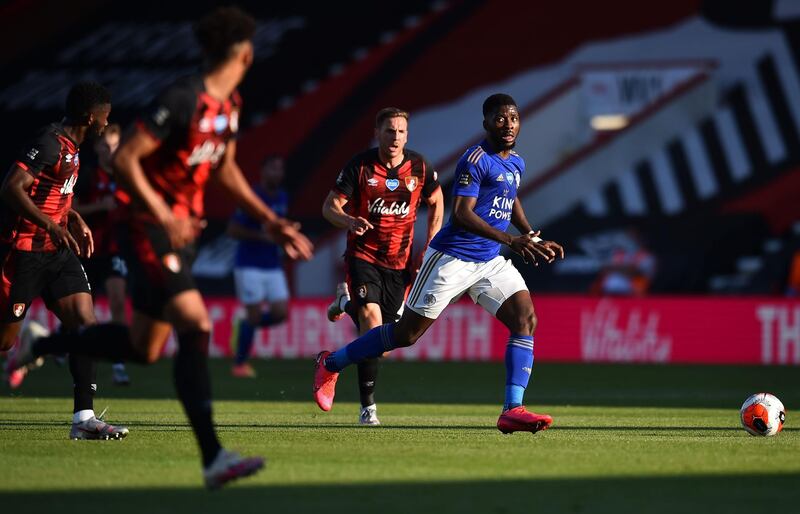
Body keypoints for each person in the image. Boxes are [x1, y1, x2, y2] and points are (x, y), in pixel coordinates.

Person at [6, 7, 313, 488]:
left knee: (143, 347)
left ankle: (43, 343)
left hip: (177, 233)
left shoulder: (229, 105)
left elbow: (226, 169)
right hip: (148, 228)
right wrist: (165, 213)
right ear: (243, 52)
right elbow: (128, 158)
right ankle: (213, 457)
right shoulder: (182, 97)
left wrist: (271, 221)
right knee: (196, 323)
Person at [313, 94, 565, 433]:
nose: (508, 125)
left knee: (525, 319)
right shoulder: (474, 160)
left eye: (513, 118)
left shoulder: (515, 162)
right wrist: (512, 241)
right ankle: (331, 363)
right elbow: (461, 214)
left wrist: (530, 236)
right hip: (453, 259)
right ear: (486, 123)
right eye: (500, 119)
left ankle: (512, 409)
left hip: (490, 261)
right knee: (405, 335)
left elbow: (511, 196)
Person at [0, 81, 129, 440]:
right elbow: (11, 187)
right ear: (91, 116)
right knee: (5, 342)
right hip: (24, 251)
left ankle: (84, 420)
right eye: (105, 118)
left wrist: (74, 220)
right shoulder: (49, 142)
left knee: (85, 324)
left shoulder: (74, 148)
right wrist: (48, 225)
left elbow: (56, 195)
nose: (106, 124)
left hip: (58, 252)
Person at [322, 107, 443, 425]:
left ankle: (345, 302)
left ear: (407, 134)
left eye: (401, 131)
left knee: (382, 345)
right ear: (377, 133)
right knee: (372, 324)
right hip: (363, 258)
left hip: (399, 265)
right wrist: (349, 219)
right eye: (390, 130)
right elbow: (329, 207)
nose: (396, 137)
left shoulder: (418, 167)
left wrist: (429, 245)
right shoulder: (360, 166)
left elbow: (437, 201)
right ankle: (368, 410)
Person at [72, 123, 132, 385]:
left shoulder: (127, 176)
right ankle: (68, 342)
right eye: (106, 146)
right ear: (97, 148)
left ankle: (118, 362)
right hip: (87, 249)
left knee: (118, 299)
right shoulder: (88, 175)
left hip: (115, 250)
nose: (111, 152)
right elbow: (71, 209)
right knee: (84, 311)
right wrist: (100, 206)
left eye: (115, 147)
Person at [228, 155, 291, 378]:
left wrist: (288, 233)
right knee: (254, 314)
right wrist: (261, 236)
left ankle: (245, 326)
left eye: (280, 169)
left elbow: (277, 231)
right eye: (273, 167)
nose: (277, 173)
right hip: (249, 264)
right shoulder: (252, 196)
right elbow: (233, 230)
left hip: (272, 265)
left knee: (281, 313)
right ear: (263, 171)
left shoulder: (283, 197)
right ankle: (239, 364)